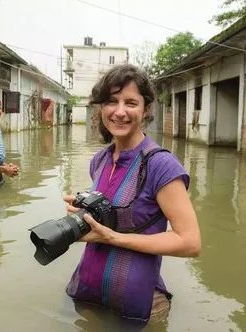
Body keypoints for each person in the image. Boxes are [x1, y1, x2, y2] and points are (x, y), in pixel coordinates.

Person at [64, 64, 201, 324]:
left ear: (146, 109)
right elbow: (107, 219)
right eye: (111, 102)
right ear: (100, 108)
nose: (119, 112)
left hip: (141, 304)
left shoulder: (161, 165)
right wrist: (81, 215)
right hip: (87, 293)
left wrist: (113, 238)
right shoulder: (100, 160)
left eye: (130, 103)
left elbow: (190, 242)